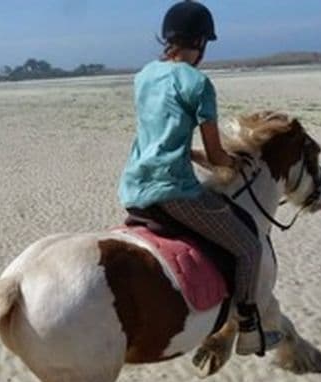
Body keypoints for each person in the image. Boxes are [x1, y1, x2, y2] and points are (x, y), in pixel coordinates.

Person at [118, 0, 270, 356]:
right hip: (173, 193)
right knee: (250, 247)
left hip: (133, 189)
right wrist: (233, 164)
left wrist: (204, 159)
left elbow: (171, 146)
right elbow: (217, 156)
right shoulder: (199, 84)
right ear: (200, 42)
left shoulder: (144, 76)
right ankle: (248, 327)